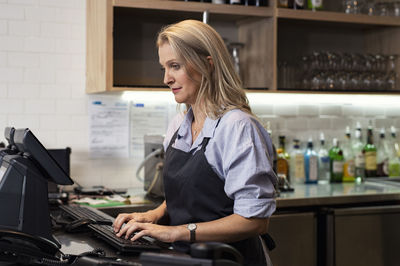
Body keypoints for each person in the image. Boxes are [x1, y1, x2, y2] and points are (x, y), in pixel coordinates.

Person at [113, 19, 277, 266]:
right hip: (184, 257)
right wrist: (155, 215)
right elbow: (190, 195)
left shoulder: (237, 127)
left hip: (229, 260)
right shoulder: (179, 124)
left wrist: (175, 231)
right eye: (164, 68)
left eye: (175, 66)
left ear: (207, 65)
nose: (166, 79)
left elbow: (254, 221)